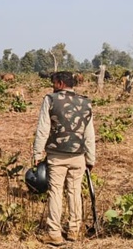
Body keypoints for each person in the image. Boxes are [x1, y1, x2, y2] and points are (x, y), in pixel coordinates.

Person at [32, 71, 96, 245]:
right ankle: (74, 230)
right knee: (75, 192)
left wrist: (37, 153)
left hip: (57, 156)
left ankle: (54, 233)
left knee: (55, 192)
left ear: (60, 83)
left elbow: (43, 128)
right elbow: (89, 133)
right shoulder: (85, 102)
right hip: (78, 156)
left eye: (53, 83)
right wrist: (90, 159)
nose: (52, 86)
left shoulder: (50, 100)